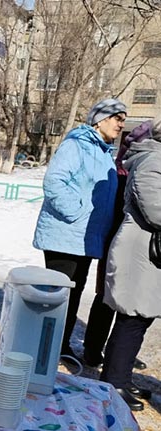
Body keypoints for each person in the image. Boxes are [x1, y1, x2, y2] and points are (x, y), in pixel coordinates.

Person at [32, 97, 127, 360]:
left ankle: (58, 347)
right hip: (64, 233)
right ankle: (46, 347)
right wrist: (78, 212)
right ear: (101, 119)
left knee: (72, 296)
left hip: (85, 238)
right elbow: (54, 182)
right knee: (58, 297)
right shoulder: (77, 145)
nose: (121, 125)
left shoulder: (103, 152)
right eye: (118, 118)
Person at [99, 117, 161, 411]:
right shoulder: (151, 160)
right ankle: (114, 382)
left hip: (148, 250)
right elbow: (154, 209)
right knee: (132, 317)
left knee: (141, 317)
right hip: (139, 250)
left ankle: (121, 376)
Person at [81, 119, 152, 371]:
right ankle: (93, 350)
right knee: (107, 298)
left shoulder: (131, 167)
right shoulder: (122, 170)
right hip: (116, 238)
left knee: (125, 302)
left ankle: (118, 355)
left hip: (125, 238)